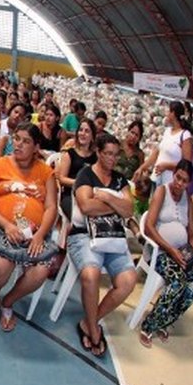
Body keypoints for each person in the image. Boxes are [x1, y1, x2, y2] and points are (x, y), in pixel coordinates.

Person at [0, 123, 58, 332]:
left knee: (40, 271)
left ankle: (8, 301)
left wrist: (40, 235)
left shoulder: (46, 172)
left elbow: (51, 207)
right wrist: (6, 225)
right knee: (0, 267)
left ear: (36, 147)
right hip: (3, 228)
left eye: (26, 141)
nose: (19, 144)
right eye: (17, 138)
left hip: (34, 233)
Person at [68, 133, 137, 358]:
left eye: (116, 155)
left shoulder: (120, 180)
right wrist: (118, 204)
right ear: (98, 152)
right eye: (107, 153)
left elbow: (129, 210)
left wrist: (107, 198)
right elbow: (86, 207)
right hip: (84, 235)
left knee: (128, 281)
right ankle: (94, 330)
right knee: (91, 275)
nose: (112, 159)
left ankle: (89, 323)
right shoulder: (85, 175)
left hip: (113, 237)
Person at [138, 159, 193, 348]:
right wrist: (171, 250)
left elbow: (192, 233)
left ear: (189, 183)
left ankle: (164, 319)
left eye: (184, 181)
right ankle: (149, 325)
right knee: (178, 282)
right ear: (173, 175)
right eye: (177, 178)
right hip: (159, 252)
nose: (179, 183)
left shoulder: (188, 200)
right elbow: (149, 227)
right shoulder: (162, 192)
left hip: (180, 254)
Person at [134, 101, 193, 188]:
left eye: (168, 111)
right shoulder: (167, 131)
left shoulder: (185, 135)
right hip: (156, 179)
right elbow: (156, 153)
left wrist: (166, 166)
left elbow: (187, 164)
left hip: (171, 183)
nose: (166, 114)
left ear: (173, 113)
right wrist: (142, 168)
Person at [55, 118, 97, 221]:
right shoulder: (70, 154)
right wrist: (79, 183)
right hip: (70, 194)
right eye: (81, 130)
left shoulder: (96, 157)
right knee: (80, 219)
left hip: (90, 195)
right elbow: (62, 178)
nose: (83, 133)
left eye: (87, 131)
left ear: (92, 136)